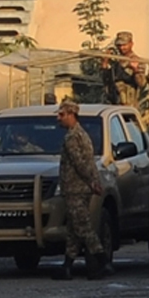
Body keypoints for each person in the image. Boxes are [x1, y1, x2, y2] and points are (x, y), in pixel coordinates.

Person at [51, 100, 109, 280]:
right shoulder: (83, 134)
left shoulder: (72, 137)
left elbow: (80, 163)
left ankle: (102, 261)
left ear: (71, 115)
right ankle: (67, 266)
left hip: (75, 189)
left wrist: (92, 181)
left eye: (62, 115)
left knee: (83, 227)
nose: (58, 118)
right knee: (73, 229)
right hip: (79, 188)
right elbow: (91, 162)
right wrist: (94, 181)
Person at [102, 31, 146, 107]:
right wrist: (105, 63)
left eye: (124, 45)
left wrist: (135, 70)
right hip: (113, 103)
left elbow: (142, 83)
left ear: (131, 44)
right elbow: (106, 80)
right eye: (119, 45)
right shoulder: (116, 61)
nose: (121, 48)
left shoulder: (137, 60)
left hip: (129, 104)